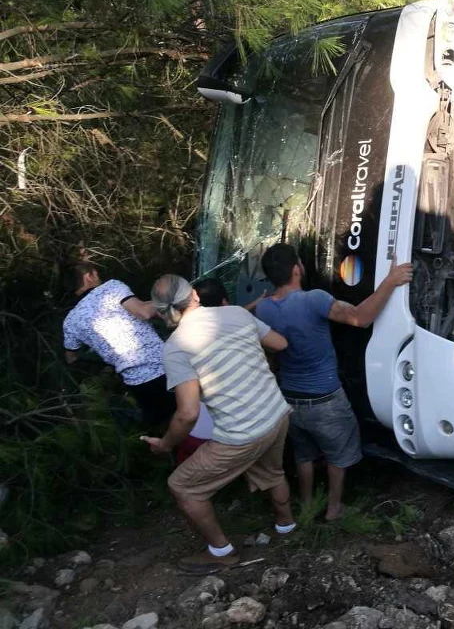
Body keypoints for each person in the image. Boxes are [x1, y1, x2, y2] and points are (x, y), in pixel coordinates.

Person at [142, 274, 295, 574]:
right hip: (276, 413)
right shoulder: (237, 313)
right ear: (194, 295)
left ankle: (221, 552)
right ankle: (286, 525)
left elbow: (187, 414)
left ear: (161, 312)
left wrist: (165, 444)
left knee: (183, 486)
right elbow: (279, 343)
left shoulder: (176, 347)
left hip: (242, 433)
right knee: (273, 472)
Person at [255, 243, 413, 521]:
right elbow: (360, 318)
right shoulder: (313, 300)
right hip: (325, 399)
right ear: (296, 269)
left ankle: (307, 505)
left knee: (303, 455)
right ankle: (334, 508)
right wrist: (391, 281)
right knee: (338, 456)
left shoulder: (264, 308)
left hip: (289, 399)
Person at [63, 262, 175, 425]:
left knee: (165, 425)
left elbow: (71, 358)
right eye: (97, 274)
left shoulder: (70, 321)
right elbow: (143, 312)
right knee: (193, 416)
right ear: (89, 277)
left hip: (134, 382)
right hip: (165, 367)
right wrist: (173, 297)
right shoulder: (111, 287)